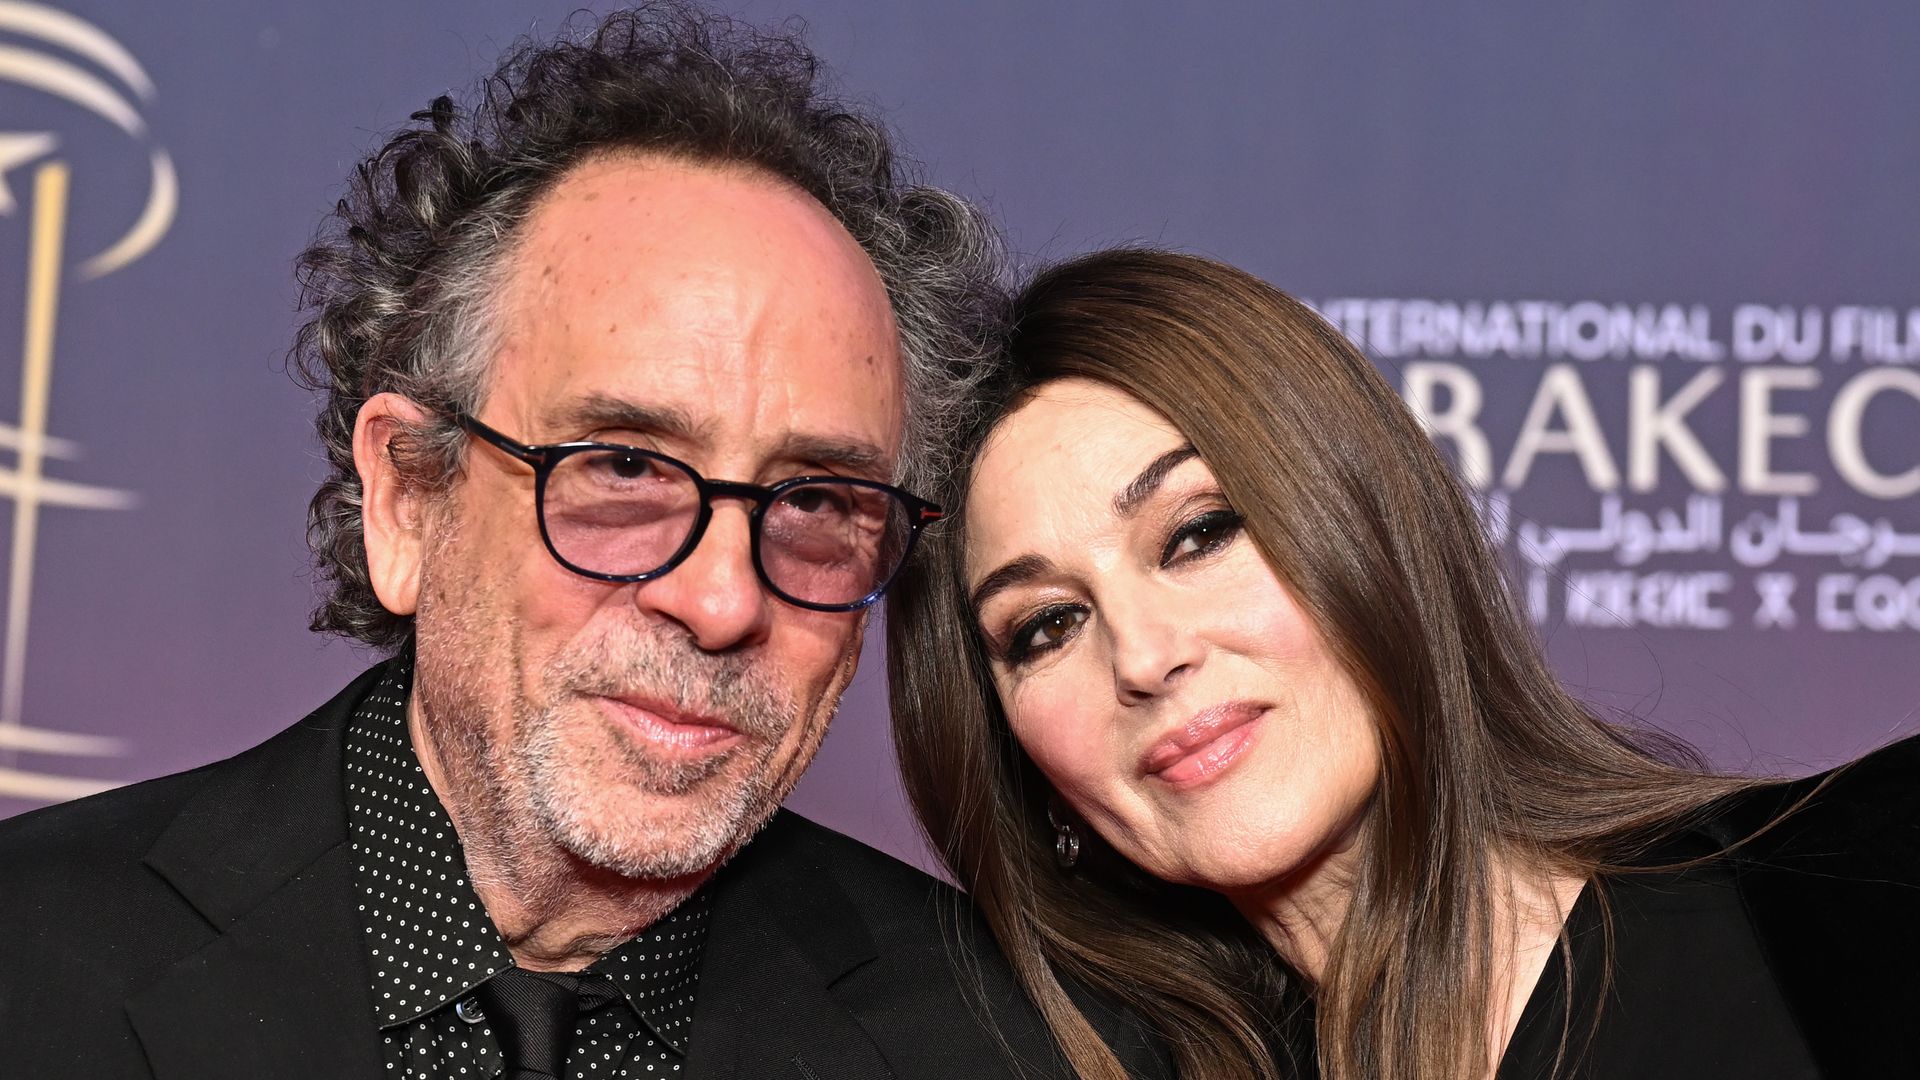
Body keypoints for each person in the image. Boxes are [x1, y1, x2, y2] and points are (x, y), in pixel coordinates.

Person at [0, 10, 1171, 1079]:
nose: (721, 601)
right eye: (623, 469)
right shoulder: (31, 961)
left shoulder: (1026, 1051)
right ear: (407, 498)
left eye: (815, 500)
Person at [886, 248, 1920, 1080]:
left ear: (1368, 532)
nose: (1146, 656)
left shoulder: (1868, 883)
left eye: (1199, 533)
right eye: (1046, 626)